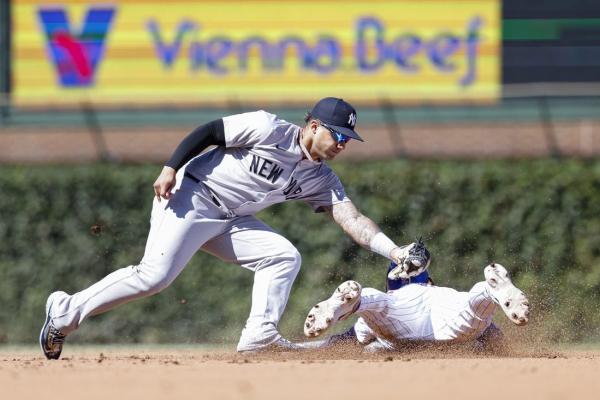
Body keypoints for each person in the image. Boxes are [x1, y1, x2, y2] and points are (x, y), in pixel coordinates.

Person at [40, 97, 429, 359]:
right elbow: (209, 132)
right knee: (154, 277)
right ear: (313, 126)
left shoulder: (322, 179)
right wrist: (170, 167)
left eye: (348, 139)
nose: (344, 144)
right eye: (338, 134)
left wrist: (395, 252)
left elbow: (352, 219)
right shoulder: (267, 128)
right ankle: (65, 311)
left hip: (230, 219)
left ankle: (258, 338)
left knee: (282, 256)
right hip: (191, 197)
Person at [303, 259, 530, 352]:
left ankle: (353, 303)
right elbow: (495, 339)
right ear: (428, 281)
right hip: (450, 326)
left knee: (377, 304)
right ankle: (491, 290)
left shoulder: (396, 295)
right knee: (473, 307)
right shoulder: (439, 292)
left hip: (401, 322)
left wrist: (293, 348)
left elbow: (341, 342)